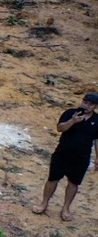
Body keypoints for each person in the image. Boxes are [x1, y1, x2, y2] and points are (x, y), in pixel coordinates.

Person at [35, 90, 98, 222]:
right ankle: (44, 203)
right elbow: (60, 128)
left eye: (91, 104)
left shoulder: (97, 121)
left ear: (95, 106)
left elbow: (97, 140)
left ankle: (66, 208)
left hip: (81, 157)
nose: (87, 106)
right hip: (62, 153)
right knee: (52, 179)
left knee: (73, 183)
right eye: (85, 102)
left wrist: (97, 158)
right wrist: (72, 121)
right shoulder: (70, 113)